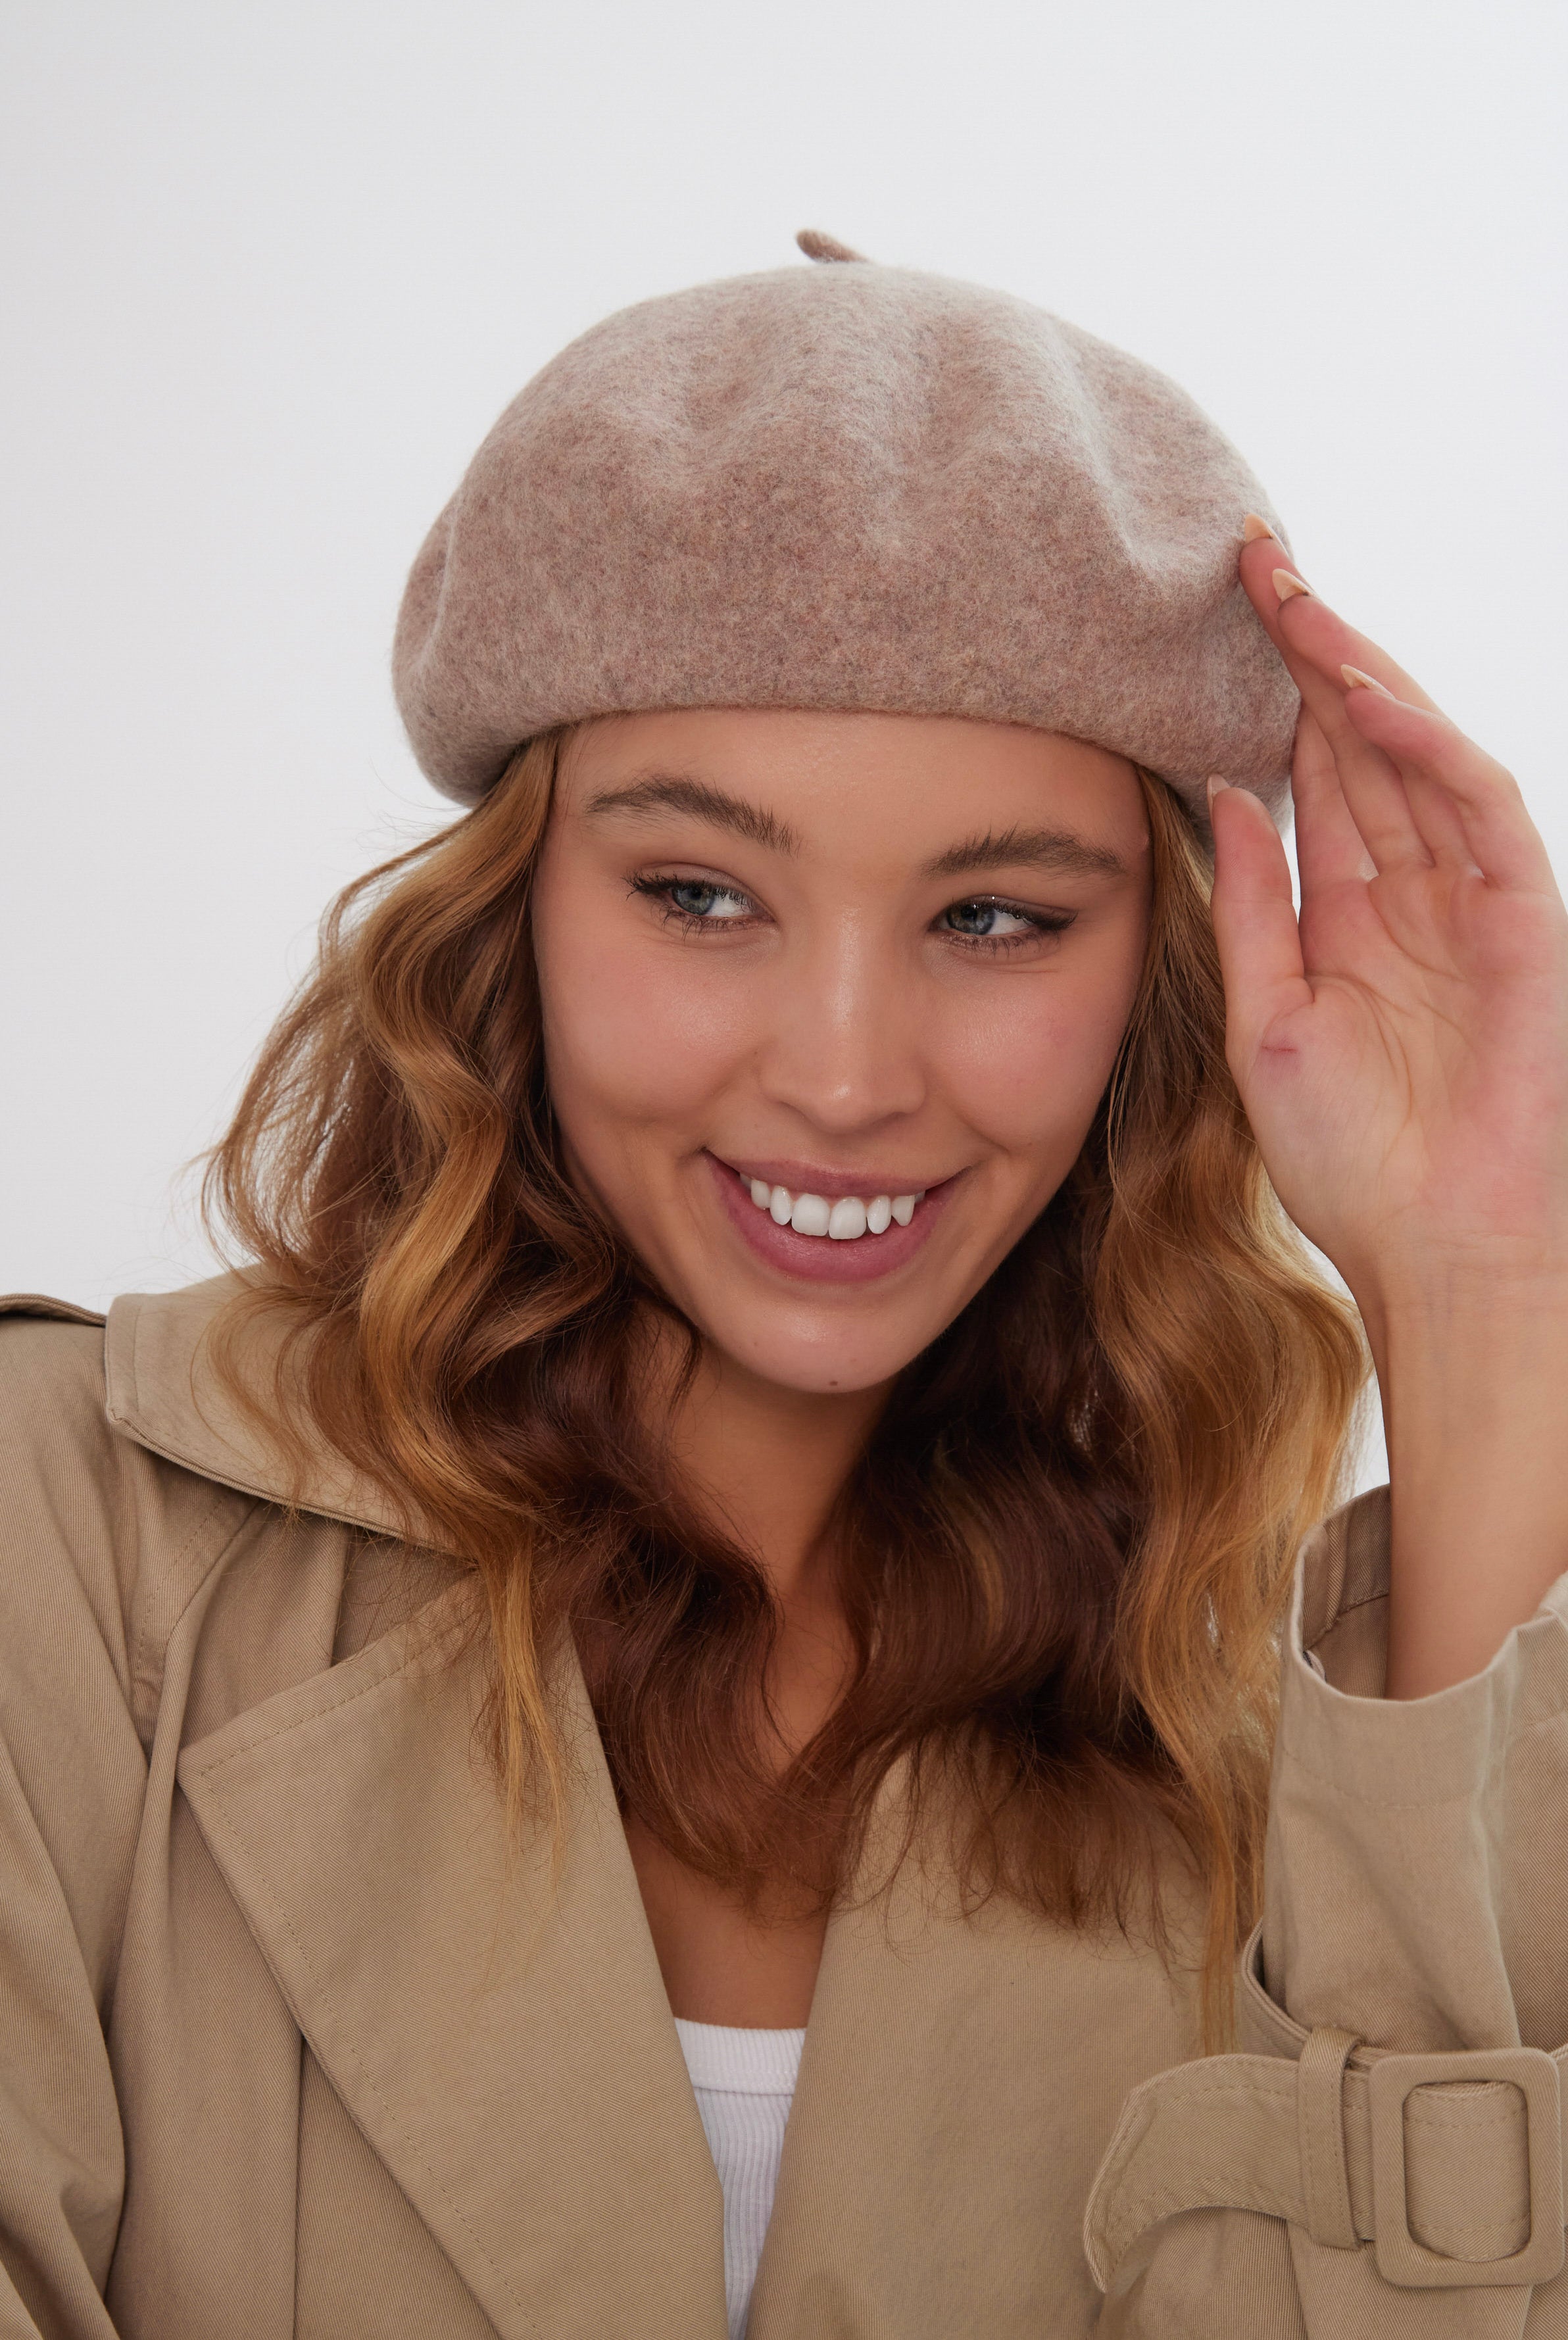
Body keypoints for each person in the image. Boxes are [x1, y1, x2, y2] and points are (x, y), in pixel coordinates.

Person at [4, 230, 1567, 2340]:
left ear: (1157, 980)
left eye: (1000, 919)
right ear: (513, 914)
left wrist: (1478, 1293)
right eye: (701, 893)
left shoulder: (1262, 1730)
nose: (842, 1073)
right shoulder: (62, 1550)